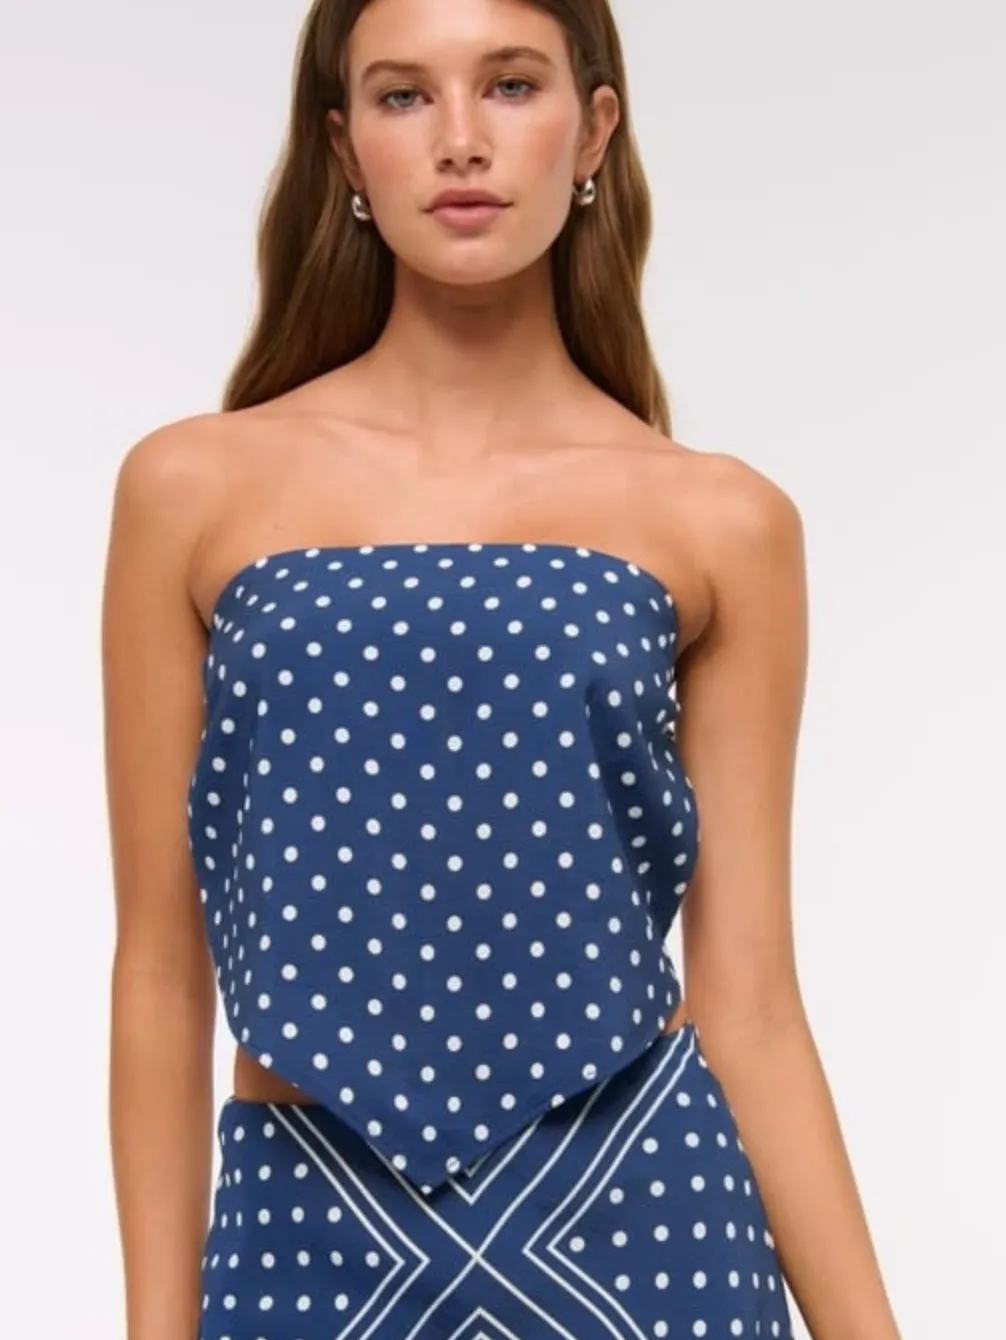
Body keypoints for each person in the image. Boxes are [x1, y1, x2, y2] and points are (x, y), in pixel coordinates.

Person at [101, 1, 903, 1337]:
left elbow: (751, 1003)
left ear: (592, 130)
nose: (460, 140)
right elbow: (159, 975)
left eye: (512, 85)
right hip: (307, 1234)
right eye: (403, 95)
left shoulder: (721, 520)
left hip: (645, 1230)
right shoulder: (191, 488)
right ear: (344, 150)